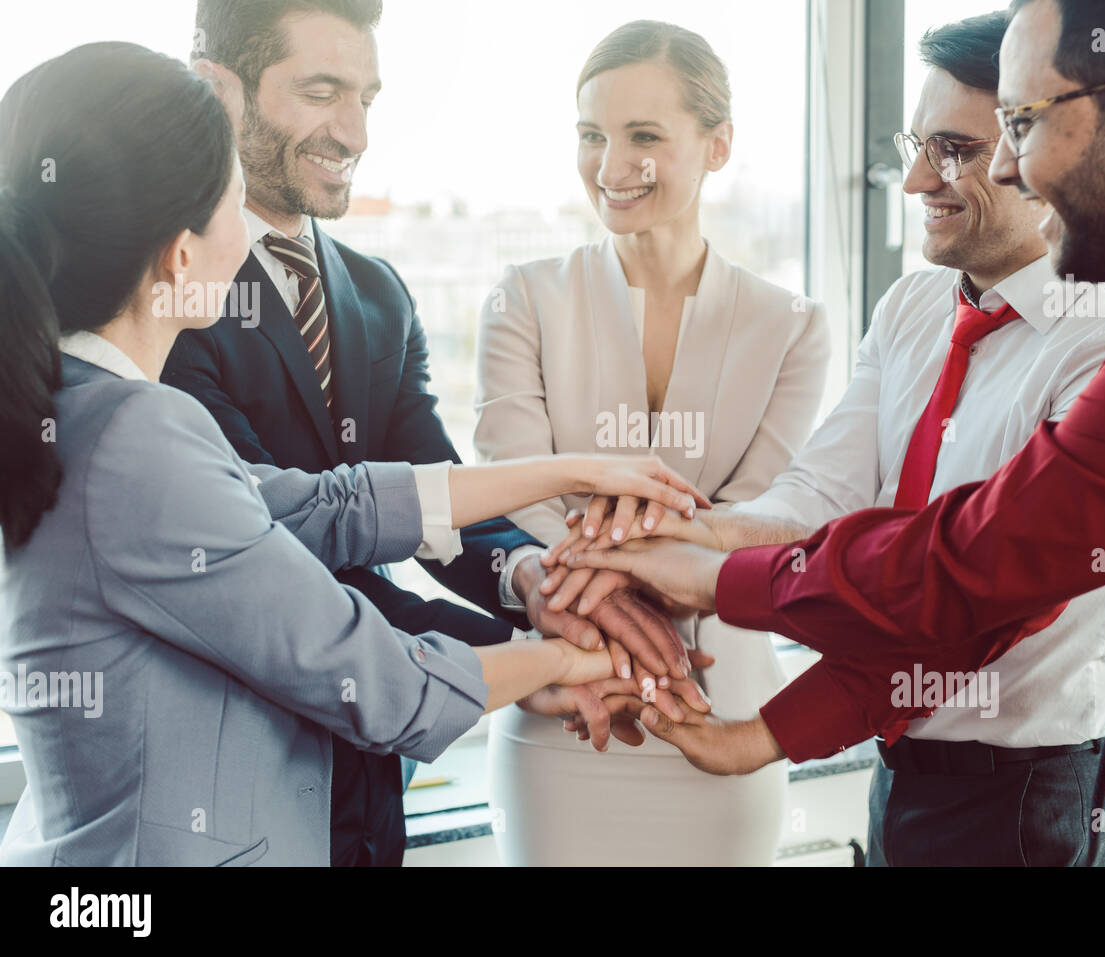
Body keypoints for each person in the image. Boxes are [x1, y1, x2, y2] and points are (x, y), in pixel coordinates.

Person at [569, 0, 1105, 867]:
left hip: (1082, 800)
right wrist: (684, 536)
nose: (1012, 169)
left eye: (1017, 127)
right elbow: (850, 507)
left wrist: (717, 582)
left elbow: (987, 563)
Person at [0, 41, 705, 866]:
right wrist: (573, 656)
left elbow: (325, 507)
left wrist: (572, 470)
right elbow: (374, 677)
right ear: (181, 254)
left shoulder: (82, 405)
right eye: (233, 196)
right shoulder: (136, 434)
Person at [473, 20, 830, 865]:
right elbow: (512, 489)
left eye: (643, 136)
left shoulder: (792, 326)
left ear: (717, 145)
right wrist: (645, 562)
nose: (609, 165)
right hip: (566, 700)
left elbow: (764, 515)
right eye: (592, 135)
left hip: (722, 707)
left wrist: (602, 559)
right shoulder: (522, 298)